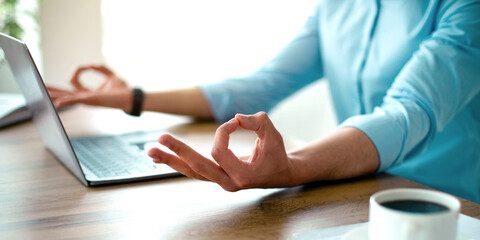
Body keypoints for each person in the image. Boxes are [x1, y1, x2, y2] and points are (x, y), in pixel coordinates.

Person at [48, 0, 480, 203]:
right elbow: (262, 85)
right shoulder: (338, 6)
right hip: (357, 189)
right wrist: (132, 98)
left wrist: (292, 166)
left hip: (452, 204)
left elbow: (407, 114)